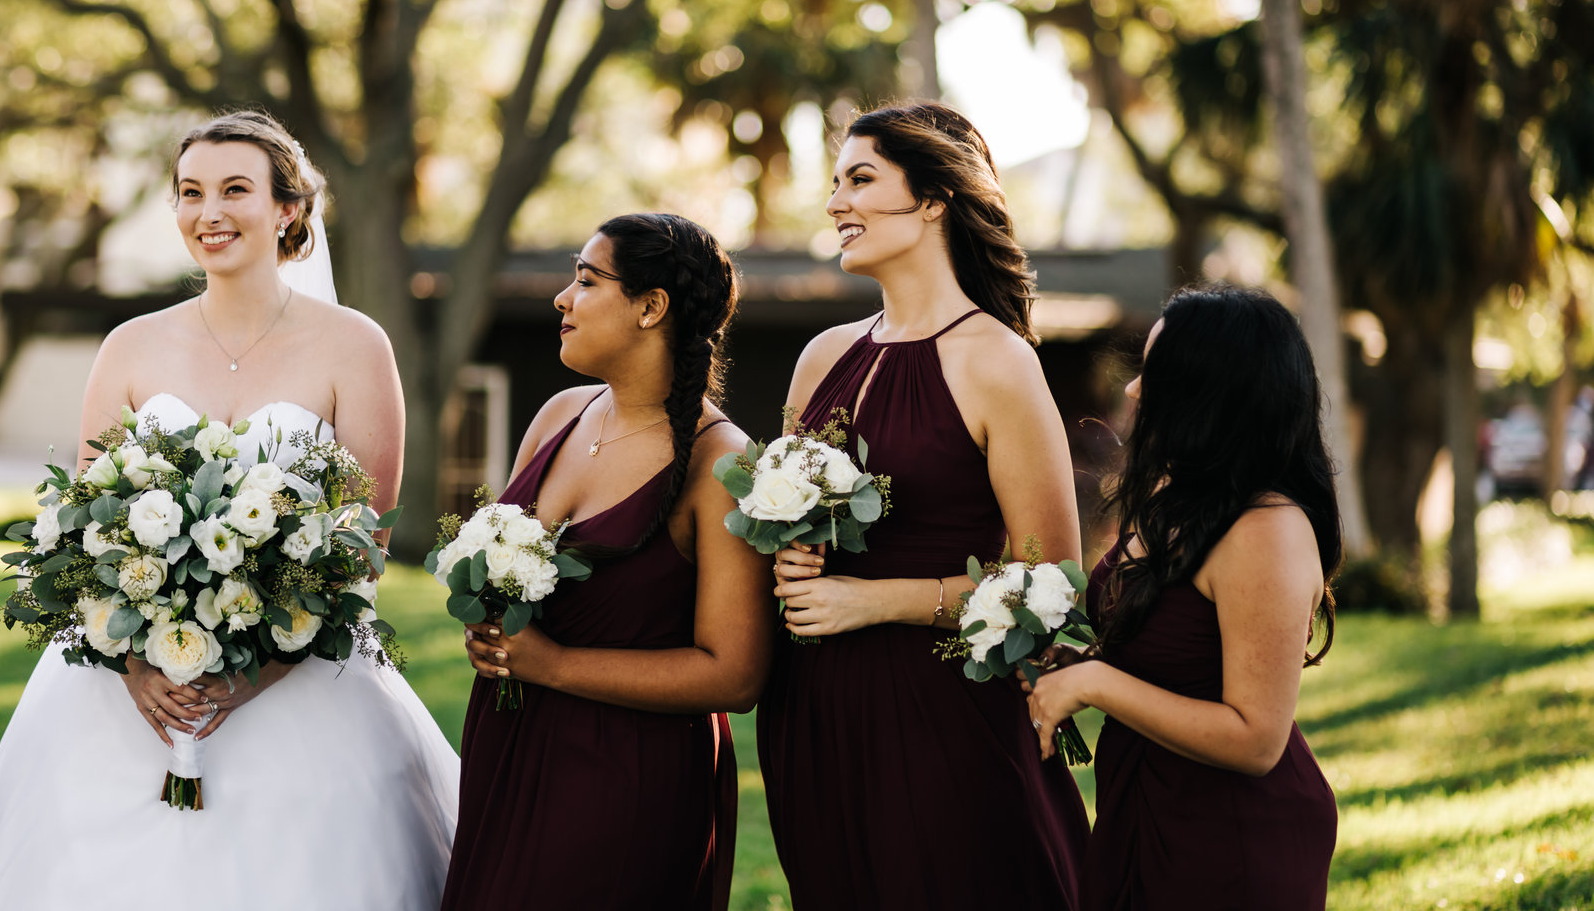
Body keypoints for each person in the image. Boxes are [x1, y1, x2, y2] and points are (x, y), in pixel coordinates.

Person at [0, 111, 460, 911]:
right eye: (190, 193)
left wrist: (256, 675)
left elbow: (363, 544)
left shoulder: (355, 347)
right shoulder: (130, 346)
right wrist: (136, 665)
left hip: (298, 678)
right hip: (124, 691)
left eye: (234, 190)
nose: (207, 212)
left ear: (288, 209)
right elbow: (83, 532)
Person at [760, 102, 1088, 908]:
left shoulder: (997, 362)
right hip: (815, 709)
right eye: (835, 182)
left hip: (942, 715)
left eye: (861, 179)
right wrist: (787, 552)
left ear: (936, 199)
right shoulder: (821, 357)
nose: (836, 201)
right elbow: (784, 523)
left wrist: (873, 602)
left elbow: (1053, 587)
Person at [440, 213, 768, 910]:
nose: (563, 297)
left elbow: (735, 673)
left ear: (652, 307)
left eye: (587, 280)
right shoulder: (560, 415)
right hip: (510, 742)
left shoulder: (720, 463)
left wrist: (552, 664)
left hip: (624, 774)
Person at [1025, 283, 1339, 910]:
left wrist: (1094, 686)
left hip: (1232, 838)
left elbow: (1256, 739)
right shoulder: (1177, 503)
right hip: (1143, 803)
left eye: (1155, 372)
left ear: (1212, 391)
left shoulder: (1265, 530)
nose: (1135, 389)